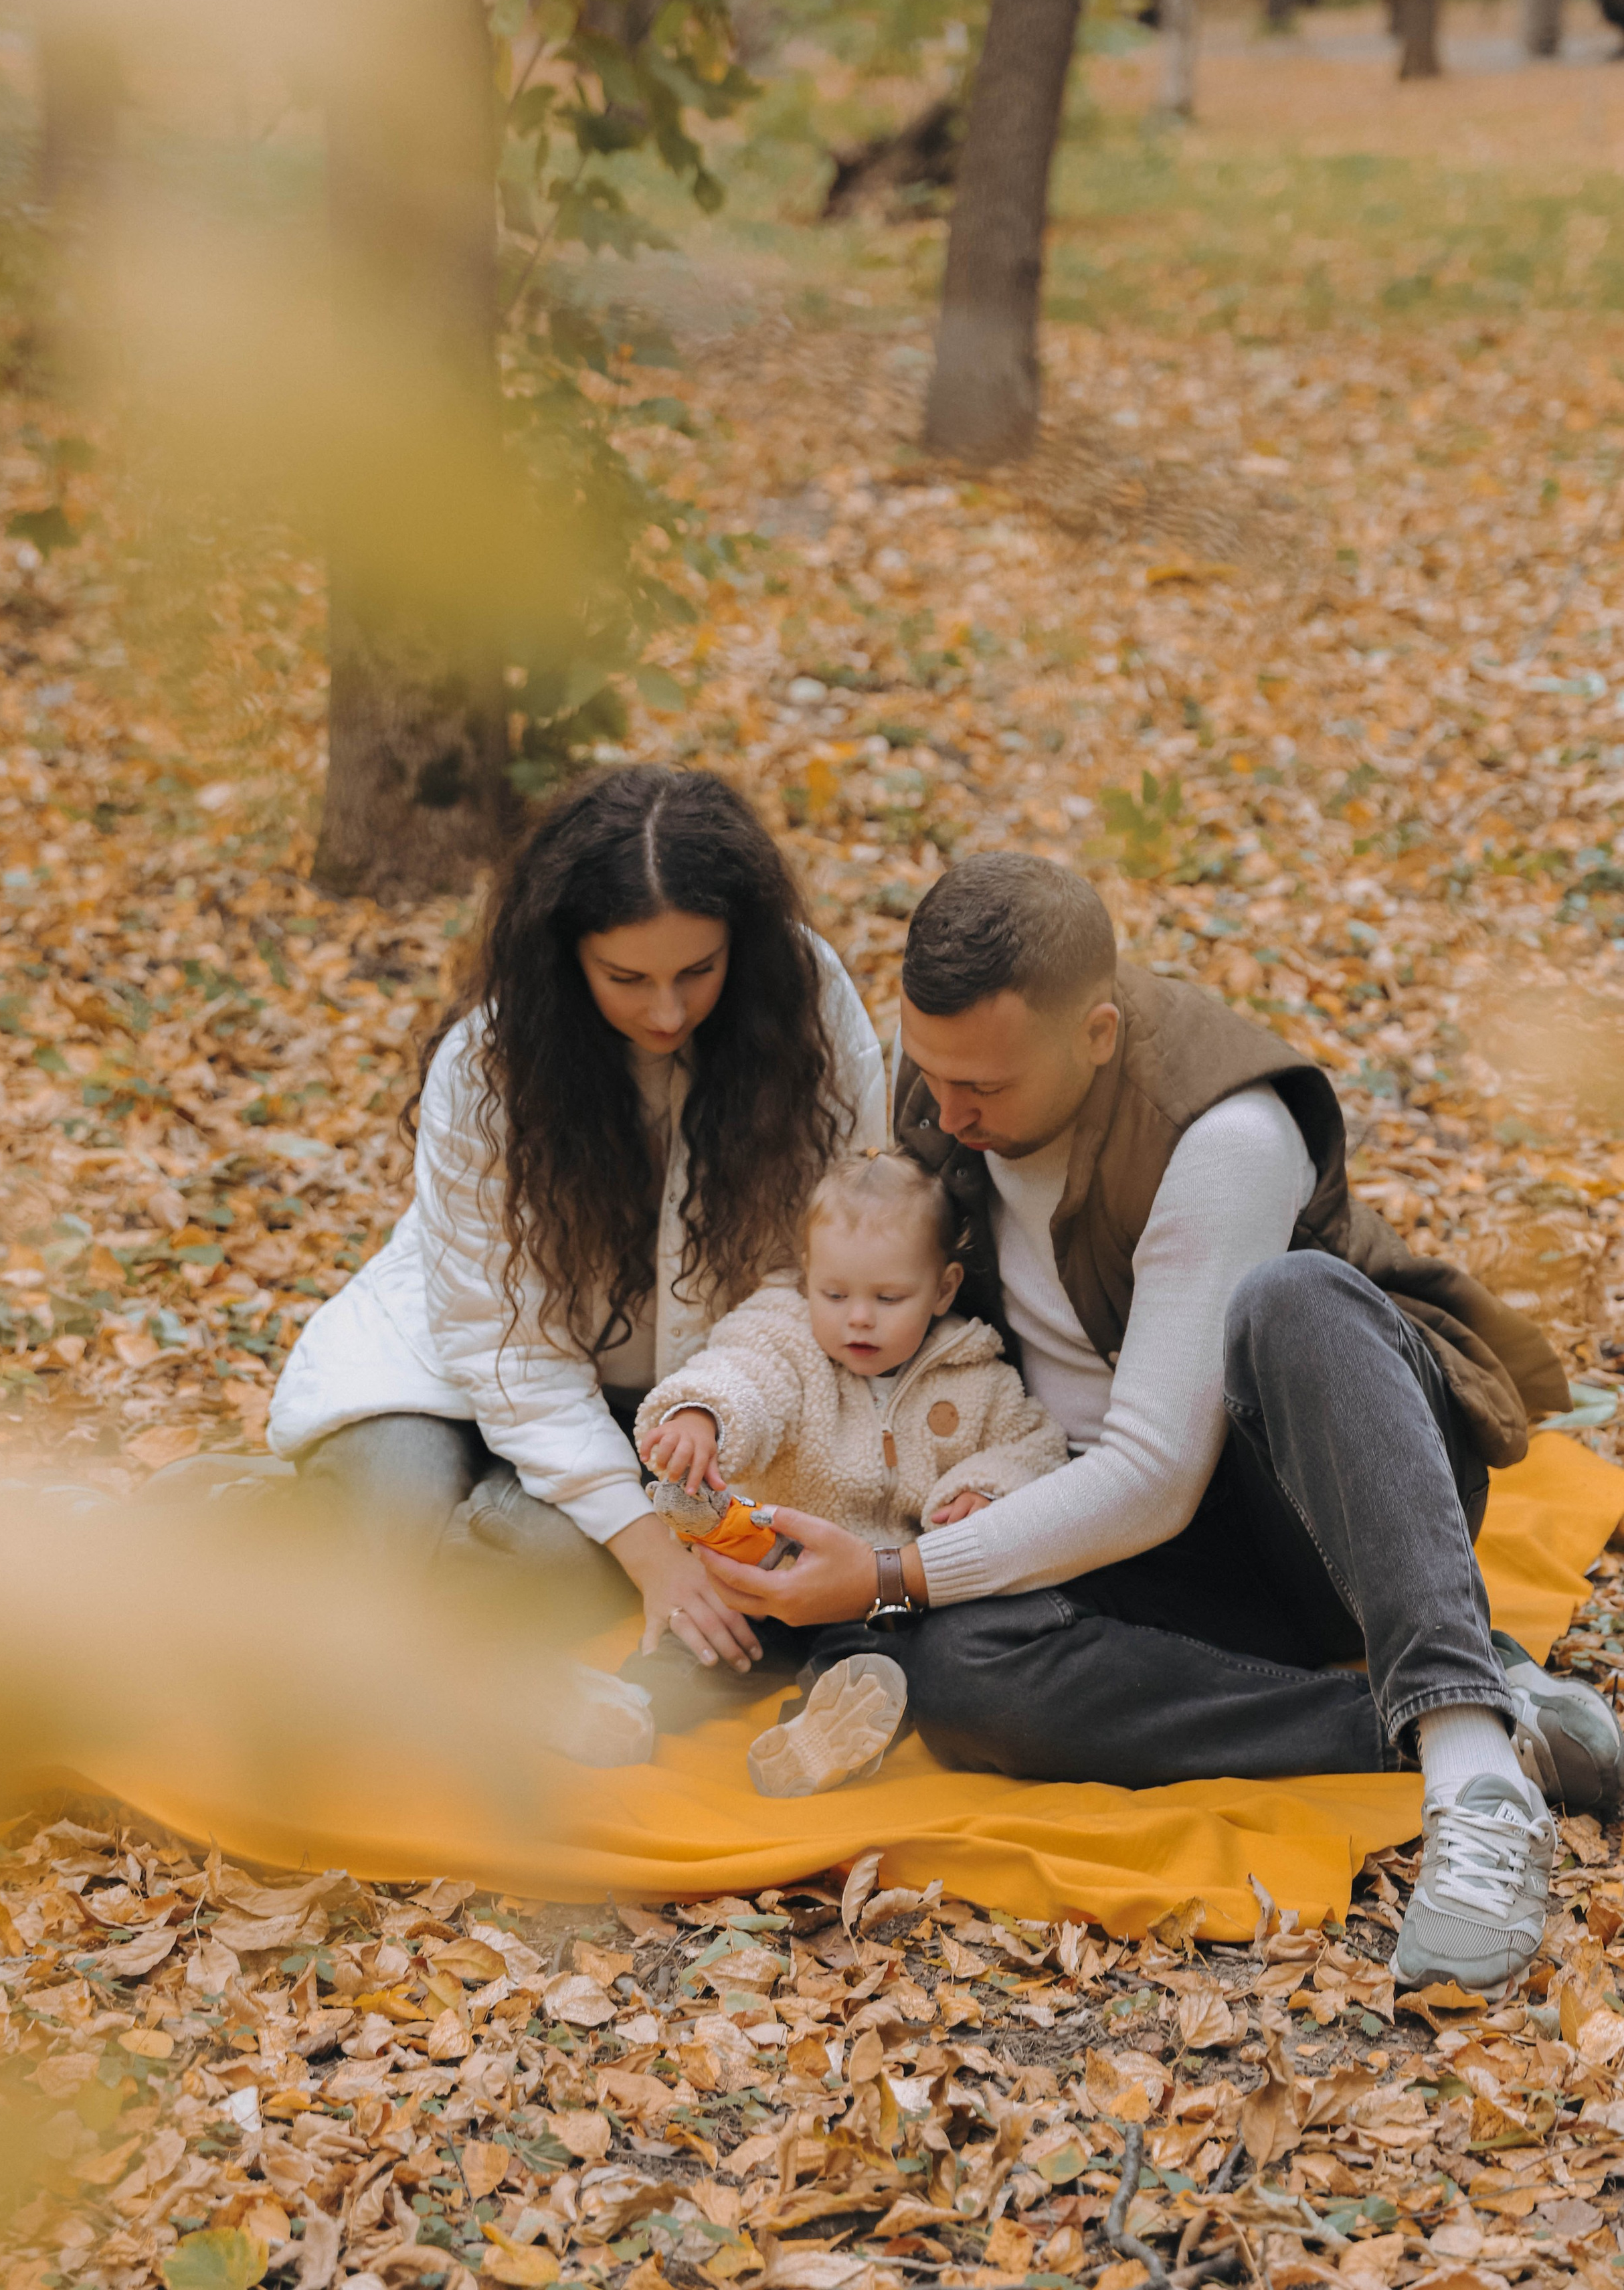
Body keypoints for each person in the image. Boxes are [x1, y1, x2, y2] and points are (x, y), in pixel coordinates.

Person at [707, 852, 1624, 1997]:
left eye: (982, 1087)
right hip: (1145, 1537)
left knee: (1291, 1298)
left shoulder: (1222, 1130)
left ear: (1095, 1035)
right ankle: (1467, 1712)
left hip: (1332, 1502)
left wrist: (894, 1573)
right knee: (960, 1668)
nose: (947, 1115)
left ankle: (1471, 1767)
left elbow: (1155, 1472)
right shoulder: (954, 1084)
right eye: (931, 1076)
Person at [266, 765, 887, 1746]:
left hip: (680, 1404)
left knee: (543, 1567)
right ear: (566, 959)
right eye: (628, 979)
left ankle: (348, 1594)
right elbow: (500, 1342)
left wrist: (694, 1456)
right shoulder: (489, 1062)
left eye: (699, 971)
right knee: (394, 1519)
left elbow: (828, 1253)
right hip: (445, 1365)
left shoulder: (807, 1014)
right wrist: (650, 1556)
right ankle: (240, 1528)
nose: (669, 1012)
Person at [628, 1151, 1068, 1793]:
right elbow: (745, 1374)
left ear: (944, 1287)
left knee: (880, 1662)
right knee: (700, 1638)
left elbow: (1034, 1448)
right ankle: (626, 1707)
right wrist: (702, 1416)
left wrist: (982, 1489)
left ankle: (814, 1738)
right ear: (809, 1277)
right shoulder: (789, 1337)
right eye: (835, 1294)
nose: (857, 1317)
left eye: (889, 1297)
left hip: (874, 1595)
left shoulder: (977, 1378)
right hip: (766, 1573)